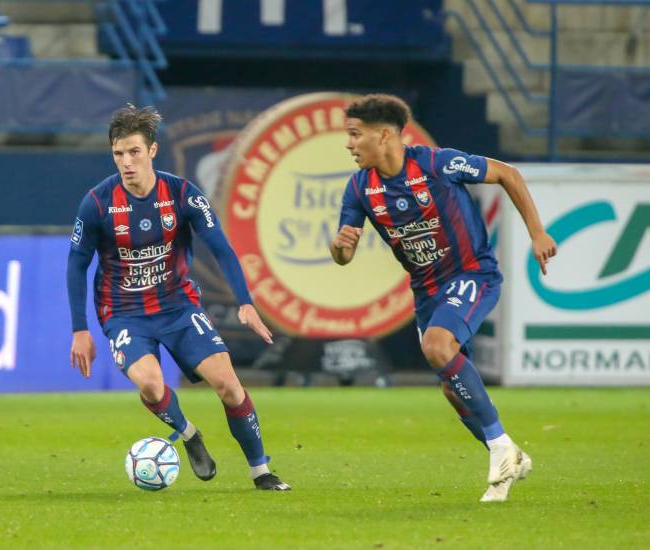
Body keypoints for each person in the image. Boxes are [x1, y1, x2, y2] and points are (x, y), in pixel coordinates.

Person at [330, 94, 557, 502]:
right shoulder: (360, 188)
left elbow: (507, 173)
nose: (348, 144)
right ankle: (507, 458)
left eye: (354, 134)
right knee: (453, 388)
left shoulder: (436, 164)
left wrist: (537, 232)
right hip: (428, 292)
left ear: (384, 135)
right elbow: (343, 256)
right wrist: (341, 247)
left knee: (437, 346)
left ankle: (502, 446)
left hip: (472, 275)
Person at [67, 105, 290, 491]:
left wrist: (245, 302)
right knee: (152, 386)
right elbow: (76, 264)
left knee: (229, 385)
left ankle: (261, 471)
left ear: (152, 150)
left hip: (178, 307)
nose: (126, 162)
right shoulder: (98, 203)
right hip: (123, 314)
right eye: (119, 154)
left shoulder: (182, 194)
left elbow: (221, 248)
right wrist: (79, 329)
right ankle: (189, 435)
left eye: (134, 152)